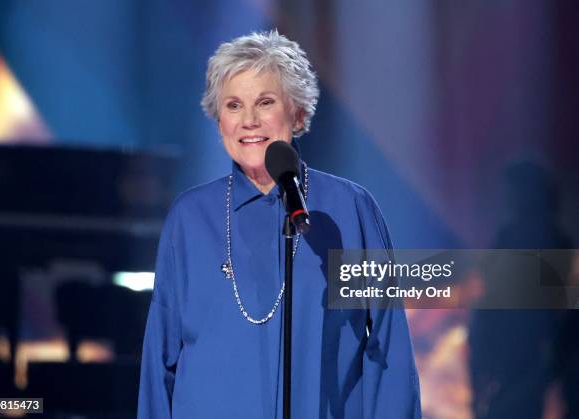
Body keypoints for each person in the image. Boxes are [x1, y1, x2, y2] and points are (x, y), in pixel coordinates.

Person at [138, 30, 421, 418]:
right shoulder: (189, 218)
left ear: (298, 112)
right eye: (233, 105)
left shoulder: (350, 209)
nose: (249, 121)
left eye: (265, 102)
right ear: (218, 120)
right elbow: (159, 360)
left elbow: (388, 350)